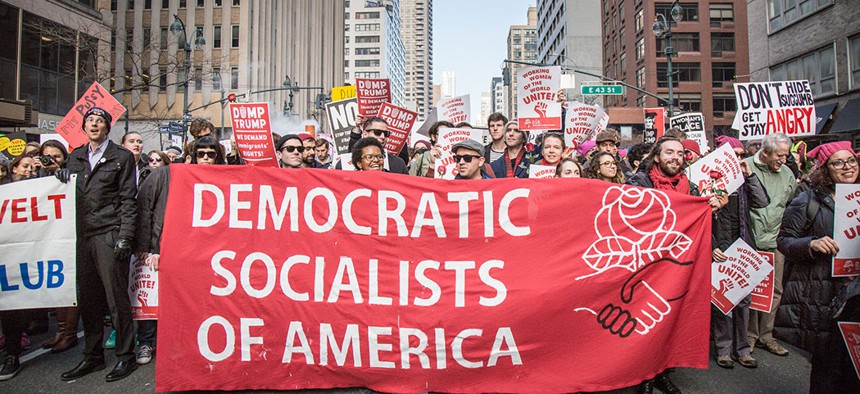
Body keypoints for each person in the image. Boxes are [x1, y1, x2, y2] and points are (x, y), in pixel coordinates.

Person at [625, 136, 722, 394]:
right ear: (656, 157)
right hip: (647, 265)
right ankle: (643, 376)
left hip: (678, 266)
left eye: (679, 154)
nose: (675, 158)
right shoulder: (640, 182)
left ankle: (663, 372)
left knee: (670, 321)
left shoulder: (690, 188)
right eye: (669, 153)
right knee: (646, 323)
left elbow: (700, 223)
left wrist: (711, 209)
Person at [55, 107, 139, 382]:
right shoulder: (75, 156)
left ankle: (126, 357)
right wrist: (60, 177)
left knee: (116, 299)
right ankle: (92, 357)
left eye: (100, 121)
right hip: (82, 236)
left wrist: (125, 235)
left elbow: (129, 199)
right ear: (84, 127)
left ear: (107, 128)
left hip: (109, 233)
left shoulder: (121, 157)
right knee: (88, 300)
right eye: (90, 121)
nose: (94, 124)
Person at [133, 137, 224, 366]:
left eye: (210, 154)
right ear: (191, 156)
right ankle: (146, 341)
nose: (205, 158)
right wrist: (148, 247)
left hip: (202, 253)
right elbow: (145, 210)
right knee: (153, 297)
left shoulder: (224, 179)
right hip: (164, 248)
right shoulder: (164, 176)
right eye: (200, 153)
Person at [776, 141, 858, 393]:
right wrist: (811, 244)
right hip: (826, 296)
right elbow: (784, 241)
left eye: (851, 160)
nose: (847, 167)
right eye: (838, 162)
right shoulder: (807, 200)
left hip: (857, 296)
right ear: (825, 169)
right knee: (828, 367)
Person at [711, 135, 770, 370]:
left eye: (740, 155)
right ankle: (724, 349)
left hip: (744, 246)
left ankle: (743, 349)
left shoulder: (744, 180)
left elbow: (762, 202)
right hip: (721, 248)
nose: (737, 159)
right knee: (722, 300)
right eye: (732, 155)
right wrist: (712, 245)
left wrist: (750, 175)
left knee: (744, 301)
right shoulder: (708, 180)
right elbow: (702, 218)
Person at [745, 133, 796, 357]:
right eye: (780, 155)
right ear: (765, 153)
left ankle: (766, 336)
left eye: (786, 155)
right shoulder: (744, 167)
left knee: (774, 291)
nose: (783, 160)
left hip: (776, 242)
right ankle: (749, 336)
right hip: (750, 240)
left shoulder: (787, 173)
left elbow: (791, 204)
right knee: (750, 290)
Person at [342, 117, 407, 174]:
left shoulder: (398, 164)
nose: (383, 136)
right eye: (377, 132)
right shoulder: (344, 164)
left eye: (386, 133)